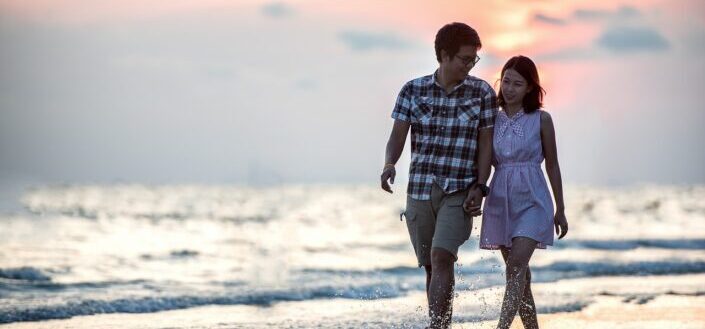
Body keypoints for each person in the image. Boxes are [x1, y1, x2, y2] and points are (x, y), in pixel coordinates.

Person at [380, 22, 497, 329]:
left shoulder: (482, 92)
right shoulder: (412, 90)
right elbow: (397, 136)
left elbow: (486, 145)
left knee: (443, 256)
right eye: (465, 59)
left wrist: (481, 186)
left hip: (459, 190)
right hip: (419, 190)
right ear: (444, 56)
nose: (470, 65)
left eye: (474, 59)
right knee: (432, 266)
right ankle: (441, 323)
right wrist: (389, 164)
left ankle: (436, 328)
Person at [479, 55, 568, 329]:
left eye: (517, 84)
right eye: (506, 81)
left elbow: (552, 164)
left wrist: (560, 208)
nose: (509, 88)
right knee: (519, 276)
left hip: (533, 200)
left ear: (530, 87)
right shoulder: (490, 119)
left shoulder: (542, 119)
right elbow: (482, 159)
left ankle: (501, 327)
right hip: (500, 199)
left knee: (516, 266)